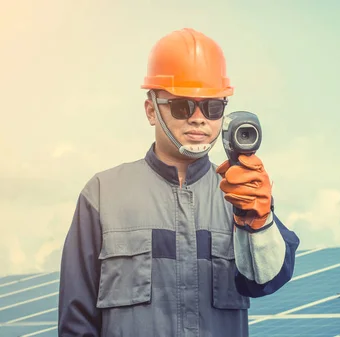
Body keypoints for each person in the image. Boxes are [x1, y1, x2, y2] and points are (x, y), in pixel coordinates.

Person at [57, 27, 300, 337]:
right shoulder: (103, 194)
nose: (198, 118)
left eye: (212, 107)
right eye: (183, 106)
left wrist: (259, 224)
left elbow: (268, 280)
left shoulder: (243, 193)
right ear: (151, 110)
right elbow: (76, 321)